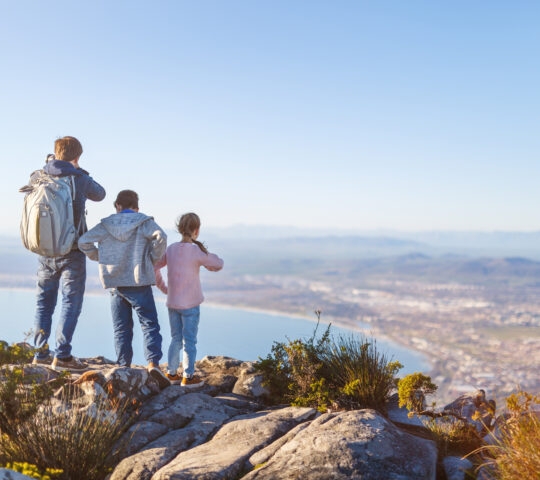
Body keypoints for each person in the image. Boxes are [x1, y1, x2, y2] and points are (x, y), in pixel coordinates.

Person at [78, 189, 170, 389]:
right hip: (139, 282)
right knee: (149, 324)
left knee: (121, 328)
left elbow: (83, 241)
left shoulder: (106, 224)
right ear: (136, 207)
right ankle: (153, 363)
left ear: (117, 206)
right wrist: (151, 259)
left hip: (115, 282)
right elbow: (161, 237)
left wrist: (100, 257)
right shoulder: (143, 222)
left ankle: (123, 366)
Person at [28, 136, 106, 372]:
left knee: (44, 303)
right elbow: (100, 193)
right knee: (70, 302)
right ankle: (62, 356)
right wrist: (79, 170)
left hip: (45, 249)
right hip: (72, 250)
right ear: (77, 156)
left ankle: (40, 353)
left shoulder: (39, 175)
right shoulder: (79, 177)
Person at [154, 212, 224, 387]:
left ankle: (171, 374)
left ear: (180, 229)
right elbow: (218, 263)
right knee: (189, 341)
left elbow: (154, 269)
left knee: (176, 339)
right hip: (190, 305)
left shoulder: (171, 249)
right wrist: (206, 259)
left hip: (172, 303)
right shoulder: (196, 251)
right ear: (196, 230)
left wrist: (165, 289)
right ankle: (188, 377)